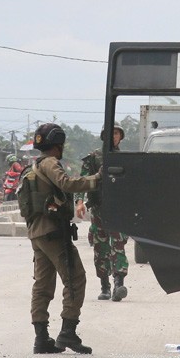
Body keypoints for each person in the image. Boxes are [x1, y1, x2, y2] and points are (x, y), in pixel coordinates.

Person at [28, 123, 101, 354]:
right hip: (52, 233)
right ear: (58, 145)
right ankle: (68, 332)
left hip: (38, 232)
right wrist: (96, 179)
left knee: (43, 284)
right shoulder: (50, 163)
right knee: (75, 278)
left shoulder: (36, 164)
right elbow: (66, 184)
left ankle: (41, 338)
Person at [75, 125, 130, 302]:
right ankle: (105, 286)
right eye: (110, 133)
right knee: (101, 248)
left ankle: (118, 284)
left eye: (116, 133)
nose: (113, 136)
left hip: (119, 210)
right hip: (98, 209)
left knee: (118, 245)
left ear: (120, 136)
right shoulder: (94, 157)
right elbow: (82, 180)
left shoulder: (126, 158)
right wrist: (80, 201)